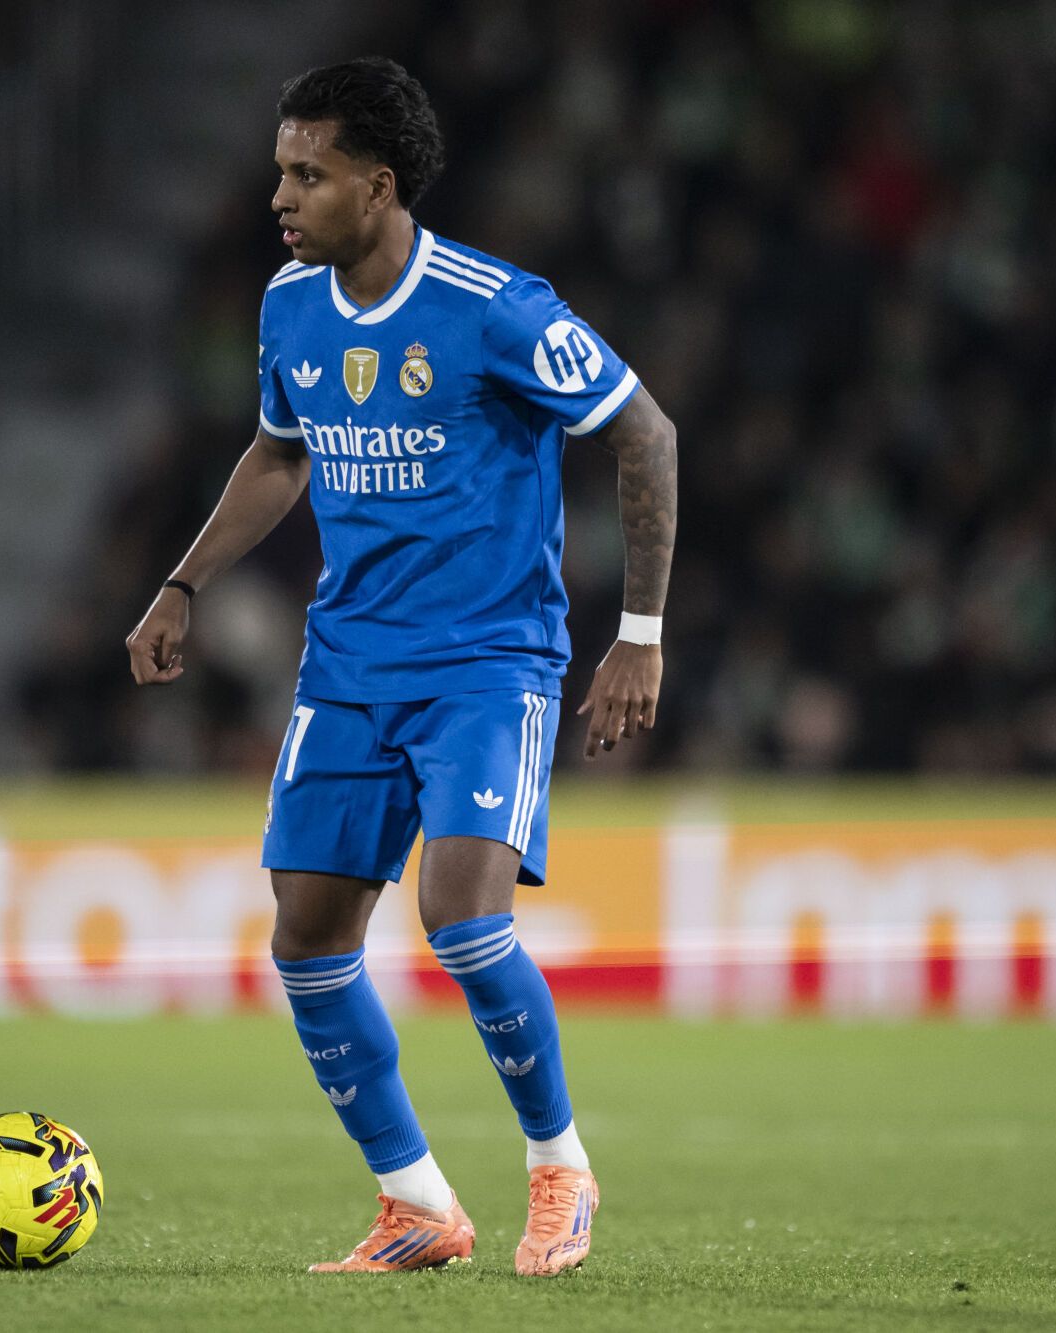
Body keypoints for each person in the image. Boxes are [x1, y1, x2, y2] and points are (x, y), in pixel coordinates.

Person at [125, 58, 676, 1277]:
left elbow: (645, 432)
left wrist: (636, 634)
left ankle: (559, 1168)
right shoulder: (289, 305)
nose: (280, 196)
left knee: (459, 918)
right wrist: (181, 584)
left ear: (376, 187)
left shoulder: (495, 307)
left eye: (307, 174)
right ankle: (415, 1201)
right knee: (306, 942)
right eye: (279, 171)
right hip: (346, 667)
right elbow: (279, 454)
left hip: (488, 661)